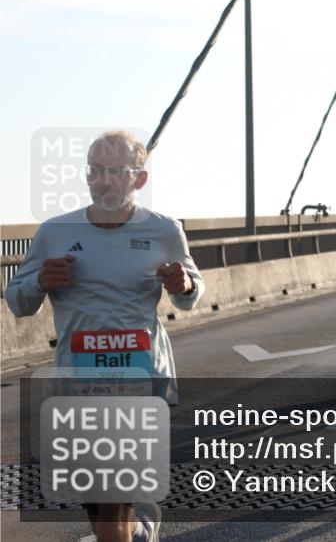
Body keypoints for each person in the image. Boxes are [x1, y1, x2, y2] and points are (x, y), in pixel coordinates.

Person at [6, 131, 205, 542]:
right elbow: (18, 302)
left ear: (139, 180)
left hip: (142, 378)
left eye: (116, 171)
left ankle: (132, 525)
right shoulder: (54, 232)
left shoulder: (165, 230)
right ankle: (140, 528)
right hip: (78, 382)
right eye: (96, 171)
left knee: (112, 496)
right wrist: (40, 281)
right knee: (99, 507)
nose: (104, 180)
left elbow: (190, 295)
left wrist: (184, 284)